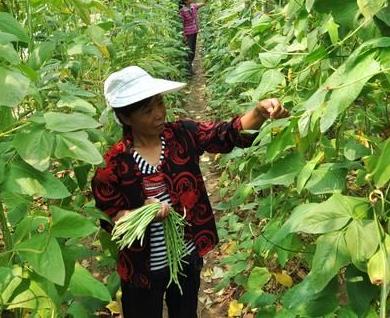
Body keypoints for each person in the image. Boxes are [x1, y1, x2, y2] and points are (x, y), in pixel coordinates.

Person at [91, 66, 290, 318]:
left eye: (160, 104)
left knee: (185, 313)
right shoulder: (112, 165)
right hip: (142, 267)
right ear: (126, 118)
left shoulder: (181, 135)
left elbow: (224, 134)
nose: (159, 114)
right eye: (147, 110)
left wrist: (260, 113)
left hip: (186, 255)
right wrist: (142, 213)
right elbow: (111, 218)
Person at [179, 0, 210, 75]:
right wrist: (183, 35)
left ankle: (189, 69)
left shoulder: (193, 6)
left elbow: (204, 2)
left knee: (192, 50)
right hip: (188, 33)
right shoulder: (183, 10)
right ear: (186, 1)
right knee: (189, 51)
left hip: (194, 31)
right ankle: (188, 70)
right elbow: (182, 23)